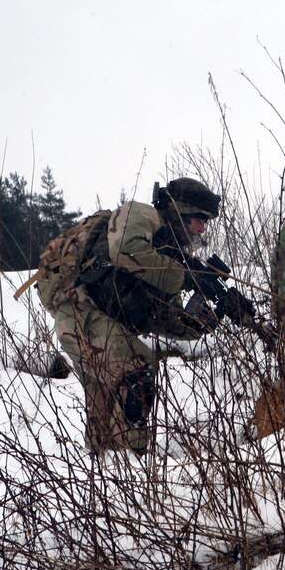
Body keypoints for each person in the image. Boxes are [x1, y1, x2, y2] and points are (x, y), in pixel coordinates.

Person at [35, 178, 225, 455]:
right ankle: (133, 463)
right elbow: (122, 248)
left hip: (97, 323)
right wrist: (183, 277)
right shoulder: (142, 215)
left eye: (205, 222)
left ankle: (109, 477)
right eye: (197, 219)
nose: (202, 227)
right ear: (178, 212)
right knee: (137, 369)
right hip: (80, 312)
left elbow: (162, 318)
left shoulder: (167, 253)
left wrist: (197, 324)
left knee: (106, 416)